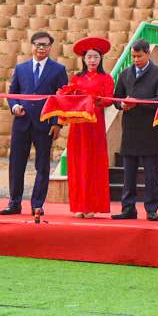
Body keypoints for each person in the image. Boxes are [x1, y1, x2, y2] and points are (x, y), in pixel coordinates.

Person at [2, 30, 68, 215]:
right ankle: (14, 202)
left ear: (50, 47)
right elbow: (12, 93)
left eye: (45, 45)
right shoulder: (21, 68)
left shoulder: (58, 70)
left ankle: (37, 204)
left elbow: (61, 98)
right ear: (32, 46)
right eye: (38, 44)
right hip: (21, 123)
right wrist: (15, 107)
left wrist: (57, 123)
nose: (41, 48)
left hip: (45, 124)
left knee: (42, 166)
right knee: (16, 164)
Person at [111, 39, 158, 221]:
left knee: (151, 174)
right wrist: (122, 104)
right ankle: (128, 208)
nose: (136, 60)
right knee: (129, 173)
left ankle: (151, 208)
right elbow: (116, 98)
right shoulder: (125, 74)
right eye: (133, 56)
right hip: (130, 129)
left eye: (139, 56)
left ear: (148, 54)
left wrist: (136, 103)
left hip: (150, 129)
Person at [58, 36, 114, 219]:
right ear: (83, 59)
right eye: (89, 57)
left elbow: (109, 100)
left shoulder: (106, 78)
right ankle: (79, 205)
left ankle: (92, 205)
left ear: (100, 59)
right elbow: (68, 99)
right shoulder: (76, 78)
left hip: (95, 125)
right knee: (78, 163)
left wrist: (96, 100)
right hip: (78, 125)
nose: (92, 61)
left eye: (95, 57)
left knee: (93, 164)